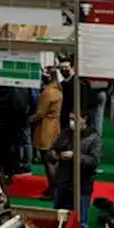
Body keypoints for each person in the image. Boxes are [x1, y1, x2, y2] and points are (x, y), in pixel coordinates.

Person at [51, 113, 101, 228]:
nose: (72, 122)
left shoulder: (93, 138)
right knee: (59, 217)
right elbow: (53, 149)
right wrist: (55, 154)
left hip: (82, 184)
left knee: (81, 221)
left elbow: (93, 161)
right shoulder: (65, 133)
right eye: (71, 118)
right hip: (63, 181)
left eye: (75, 119)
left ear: (85, 119)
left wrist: (75, 156)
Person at [33, 69, 64, 197]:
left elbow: (40, 113)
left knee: (48, 161)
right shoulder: (58, 91)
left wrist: (29, 119)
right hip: (55, 127)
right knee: (53, 160)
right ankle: (55, 187)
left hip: (45, 128)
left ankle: (53, 188)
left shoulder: (48, 92)